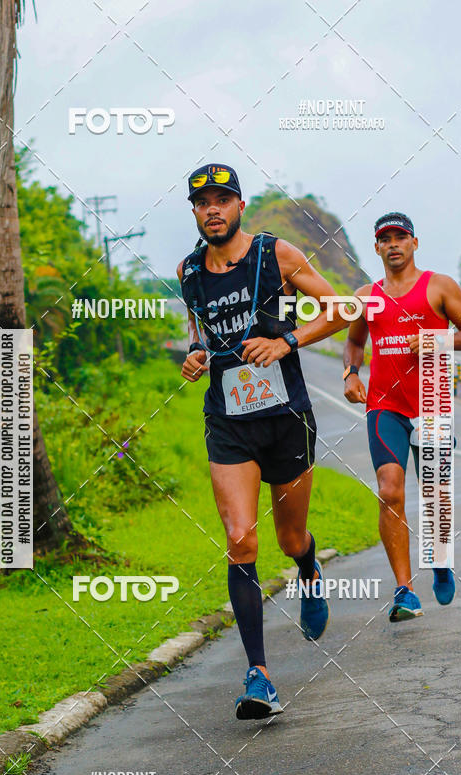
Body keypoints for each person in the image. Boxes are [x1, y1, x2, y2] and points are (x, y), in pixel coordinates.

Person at [177, 163, 351, 720]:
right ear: (194, 211)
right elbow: (201, 333)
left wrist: (288, 342)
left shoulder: (276, 255)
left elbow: (341, 310)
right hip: (228, 421)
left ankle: (308, 566)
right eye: (203, 202)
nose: (213, 210)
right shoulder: (187, 272)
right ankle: (259, 675)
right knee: (240, 540)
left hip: (286, 417)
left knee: (289, 535)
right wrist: (197, 356)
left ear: (239, 206)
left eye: (222, 199)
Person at [343, 212, 461, 622]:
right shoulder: (366, 295)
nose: (393, 244)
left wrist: (435, 339)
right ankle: (404, 590)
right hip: (383, 406)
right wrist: (351, 373)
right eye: (384, 239)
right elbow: (354, 342)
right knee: (390, 491)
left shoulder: (439, 286)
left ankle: (439, 560)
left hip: (432, 402)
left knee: (433, 494)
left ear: (414, 243)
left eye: (400, 237)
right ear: (376, 247)